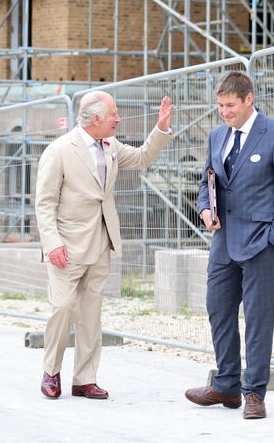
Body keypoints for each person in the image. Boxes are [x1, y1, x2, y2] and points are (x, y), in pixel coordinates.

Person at [35, 90, 174, 400]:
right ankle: (51, 371)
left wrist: (160, 128)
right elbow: (44, 203)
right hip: (66, 247)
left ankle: (85, 379)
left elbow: (141, 159)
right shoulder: (58, 151)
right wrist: (53, 243)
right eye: (114, 114)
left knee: (91, 313)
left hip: (101, 242)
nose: (118, 119)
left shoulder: (110, 145)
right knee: (62, 309)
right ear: (95, 119)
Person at [186, 71, 274, 420]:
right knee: (218, 310)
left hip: (259, 244)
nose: (224, 112)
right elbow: (207, 181)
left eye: (230, 105)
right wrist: (205, 209)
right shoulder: (217, 135)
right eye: (220, 105)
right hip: (223, 242)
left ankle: (254, 392)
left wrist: (273, 240)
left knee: (257, 318)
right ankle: (226, 384)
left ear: (249, 99)